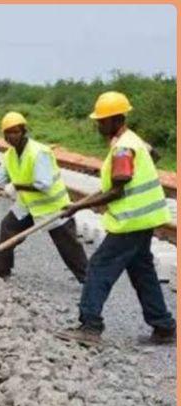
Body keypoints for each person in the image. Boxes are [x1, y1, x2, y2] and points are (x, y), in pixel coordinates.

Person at [55, 92, 175, 346]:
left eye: (102, 121)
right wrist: (79, 204)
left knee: (98, 268)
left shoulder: (122, 149)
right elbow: (154, 156)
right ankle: (163, 327)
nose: (98, 125)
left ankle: (90, 327)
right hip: (144, 220)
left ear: (115, 119)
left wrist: (79, 206)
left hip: (130, 222)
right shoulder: (133, 141)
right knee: (143, 272)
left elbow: (116, 190)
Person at [0, 112, 88, 283]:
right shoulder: (9, 156)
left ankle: (88, 281)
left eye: (15, 131)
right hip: (28, 205)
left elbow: (43, 184)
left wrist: (16, 186)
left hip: (53, 207)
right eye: (8, 133)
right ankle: (1, 273)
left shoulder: (39, 152)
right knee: (8, 227)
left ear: (24, 131)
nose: (11, 136)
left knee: (68, 247)